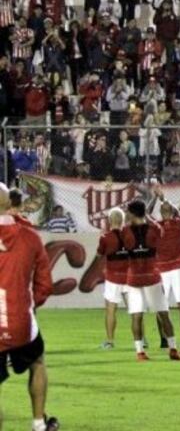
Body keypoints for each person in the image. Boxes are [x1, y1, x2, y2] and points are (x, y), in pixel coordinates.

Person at [0, 183, 58, 431]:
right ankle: (38, 424)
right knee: (37, 362)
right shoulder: (30, 237)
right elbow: (44, 285)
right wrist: (30, 306)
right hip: (19, 318)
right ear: (9, 204)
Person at [104, 200, 180, 361]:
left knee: (136, 315)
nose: (126, 215)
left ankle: (140, 352)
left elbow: (120, 243)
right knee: (163, 314)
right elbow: (159, 232)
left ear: (132, 214)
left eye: (128, 212)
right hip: (152, 277)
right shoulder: (154, 228)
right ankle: (173, 349)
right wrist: (147, 217)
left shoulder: (125, 231)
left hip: (134, 279)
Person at [155, 199, 180, 349]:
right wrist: (172, 204)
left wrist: (158, 198)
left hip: (161, 269)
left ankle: (163, 340)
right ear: (171, 212)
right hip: (178, 268)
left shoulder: (156, 227)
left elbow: (146, 214)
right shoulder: (179, 224)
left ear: (160, 212)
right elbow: (178, 214)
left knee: (161, 306)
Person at [96, 207, 128, 350]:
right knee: (135, 309)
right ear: (123, 221)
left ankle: (110, 341)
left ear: (110, 221)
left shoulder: (105, 238)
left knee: (110, 310)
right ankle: (142, 339)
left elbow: (99, 255)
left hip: (113, 277)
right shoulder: (130, 236)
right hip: (129, 277)